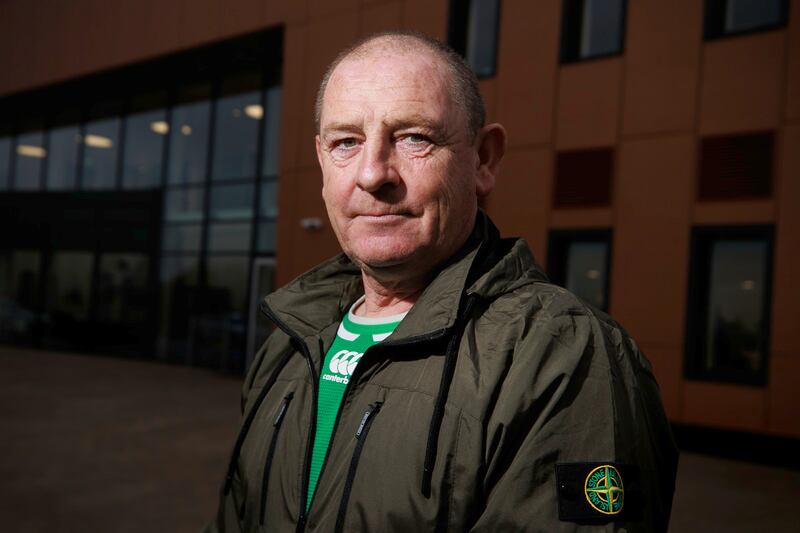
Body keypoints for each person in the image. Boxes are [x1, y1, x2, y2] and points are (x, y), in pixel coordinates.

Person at [208, 31, 678, 533]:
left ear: (483, 160)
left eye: (414, 137)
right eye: (347, 142)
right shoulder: (289, 342)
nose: (372, 174)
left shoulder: (563, 357)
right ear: (322, 161)